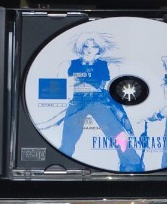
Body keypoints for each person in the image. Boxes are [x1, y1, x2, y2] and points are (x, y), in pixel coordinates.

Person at [56, 35, 143, 172]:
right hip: (77, 102)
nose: (89, 49)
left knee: (116, 132)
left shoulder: (108, 65)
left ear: (99, 49)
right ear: (80, 47)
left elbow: (112, 88)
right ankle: (61, 166)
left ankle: (133, 164)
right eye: (86, 46)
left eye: (94, 46)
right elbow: (59, 86)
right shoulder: (68, 64)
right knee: (69, 136)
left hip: (99, 101)